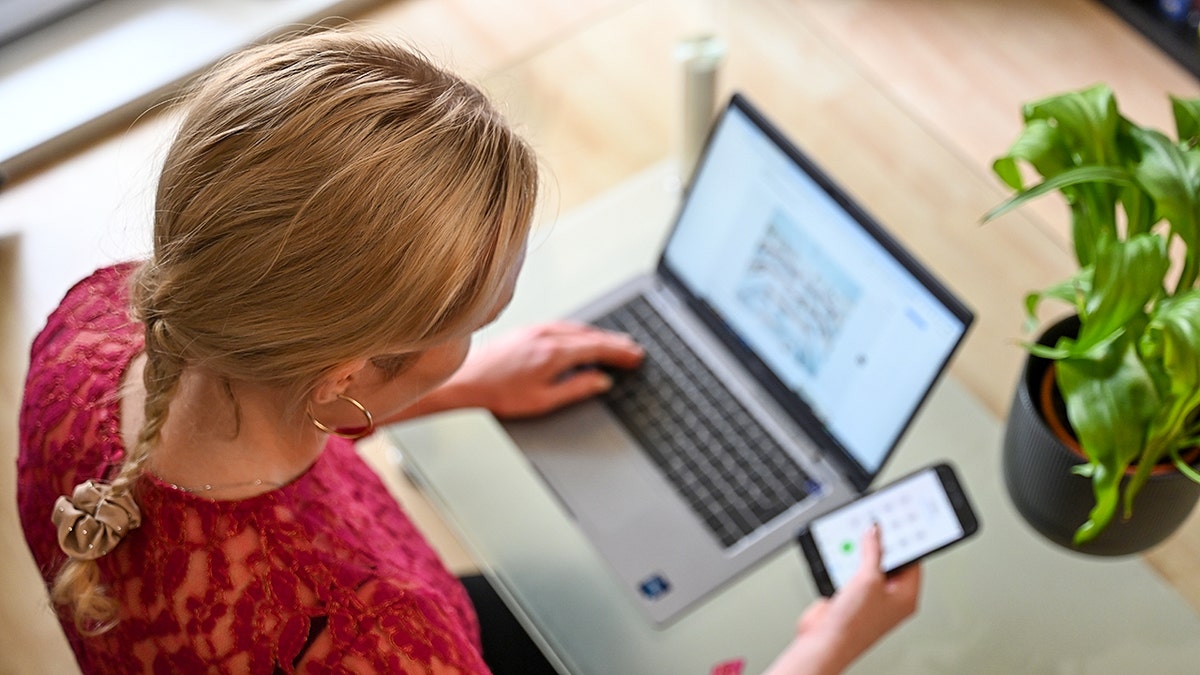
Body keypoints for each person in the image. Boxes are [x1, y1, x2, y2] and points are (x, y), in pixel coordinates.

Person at [17, 29, 918, 674]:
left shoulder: (99, 320)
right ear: (346, 370)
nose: (482, 329)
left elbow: (253, 411)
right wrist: (825, 645)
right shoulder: (382, 638)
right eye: (474, 317)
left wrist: (459, 383)